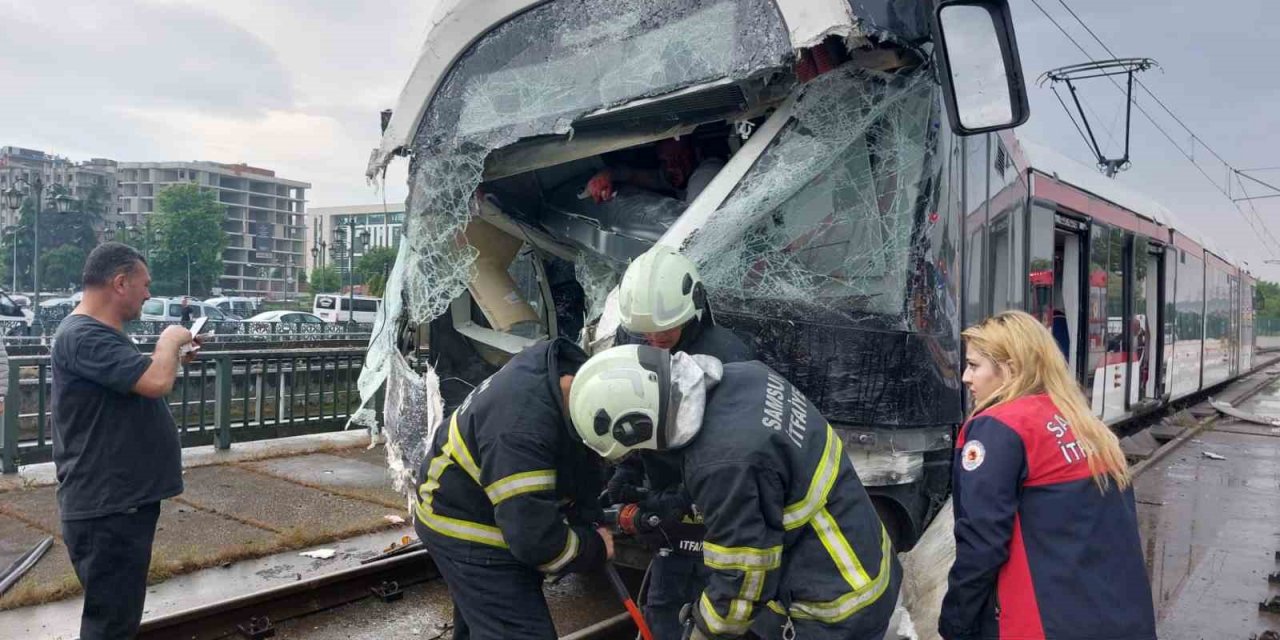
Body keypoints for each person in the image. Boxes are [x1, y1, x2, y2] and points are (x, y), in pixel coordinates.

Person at [570, 345, 901, 640]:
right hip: (866, 562)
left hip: (834, 611)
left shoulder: (723, 464)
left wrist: (703, 629)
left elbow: (743, 578)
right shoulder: (745, 377)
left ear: (640, 423)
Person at [939, 310, 1156, 640]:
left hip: (1040, 624)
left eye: (974, 365)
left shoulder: (999, 428)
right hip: (1118, 617)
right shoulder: (1082, 421)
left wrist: (956, 623)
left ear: (1011, 368)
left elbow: (982, 543)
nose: (967, 378)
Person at [413, 337, 613, 640]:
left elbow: (579, 463)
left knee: (488, 621)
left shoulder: (562, 378)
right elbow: (534, 541)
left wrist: (588, 516)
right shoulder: (521, 432)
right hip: (461, 520)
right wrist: (592, 548)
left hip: (481, 504)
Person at [605, 245, 755, 639]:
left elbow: (737, 452)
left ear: (692, 312)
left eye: (665, 330)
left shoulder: (728, 360)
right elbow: (632, 411)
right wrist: (628, 467)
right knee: (664, 607)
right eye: (645, 331)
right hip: (667, 503)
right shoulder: (632, 339)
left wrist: (684, 496)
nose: (654, 339)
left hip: (715, 503)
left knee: (718, 608)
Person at [51, 242, 198, 639]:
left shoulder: (99, 334)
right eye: (144, 284)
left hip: (119, 501)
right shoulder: (84, 335)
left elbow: (140, 377)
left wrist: (172, 356)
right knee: (111, 627)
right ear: (120, 283)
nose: (149, 294)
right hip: (107, 505)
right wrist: (169, 341)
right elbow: (155, 381)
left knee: (118, 618)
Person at [585, 137, 726, 205]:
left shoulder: (708, 172)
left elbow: (697, 223)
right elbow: (634, 175)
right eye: (665, 160)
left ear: (696, 152)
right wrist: (607, 174)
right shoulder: (675, 174)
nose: (671, 166)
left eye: (678, 158)